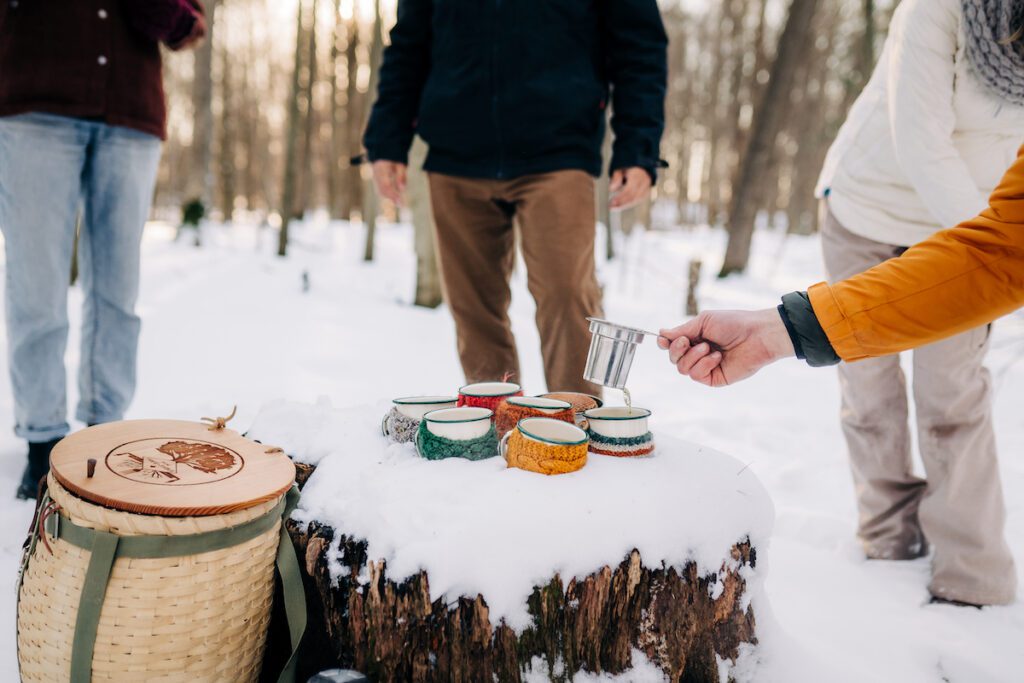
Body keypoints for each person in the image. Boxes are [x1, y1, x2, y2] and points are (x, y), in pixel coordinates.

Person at [657, 139, 1024, 606]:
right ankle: (890, 542)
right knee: (869, 393)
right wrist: (775, 332)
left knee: (952, 395)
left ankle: (973, 578)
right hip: (873, 213)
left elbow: (1002, 249)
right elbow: (1002, 247)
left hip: (966, 224)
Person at [364, 0, 667, 396]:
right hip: (456, 151)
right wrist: (387, 140)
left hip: (558, 149)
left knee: (567, 296)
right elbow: (408, 44)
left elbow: (639, 45)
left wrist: (638, 149)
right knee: (473, 310)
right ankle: (496, 424)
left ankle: (577, 425)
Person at [0, 0, 206, 499]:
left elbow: (189, 25)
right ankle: (42, 440)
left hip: (130, 114)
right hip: (35, 107)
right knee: (36, 283)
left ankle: (104, 435)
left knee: (117, 291)